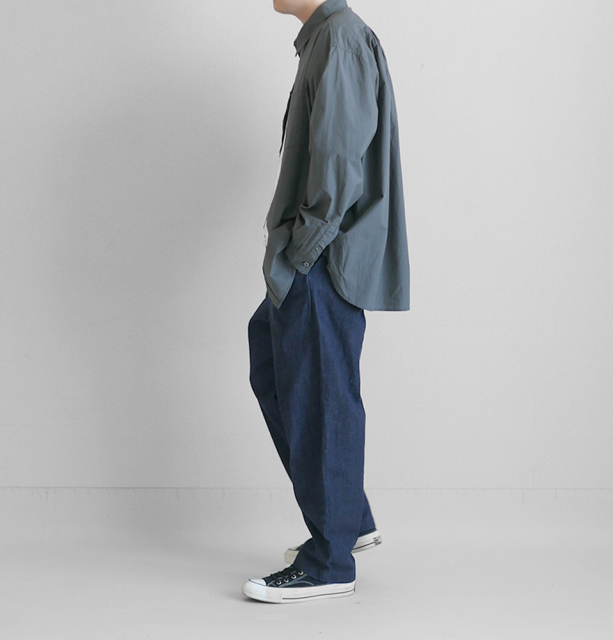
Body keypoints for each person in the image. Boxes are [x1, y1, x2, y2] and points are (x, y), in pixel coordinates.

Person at [243, 0, 410, 604]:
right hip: (314, 256)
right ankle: (348, 520)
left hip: (322, 259)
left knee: (321, 396)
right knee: (277, 369)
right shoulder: (325, 38)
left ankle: (330, 562)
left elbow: (339, 163)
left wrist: (302, 252)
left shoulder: (339, 39)